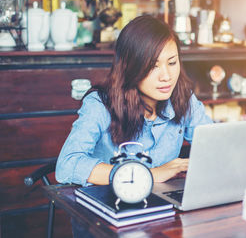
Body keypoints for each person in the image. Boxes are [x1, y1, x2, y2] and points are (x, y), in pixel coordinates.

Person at [55, 15, 213, 188]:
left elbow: (216, 145)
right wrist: (147, 174)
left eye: (172, 63)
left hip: (162, 205)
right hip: (110, 204)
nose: (166, 76)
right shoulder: (100, 104)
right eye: (153, 66)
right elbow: (67, 165)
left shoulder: (183, 98)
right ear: (131, 67)